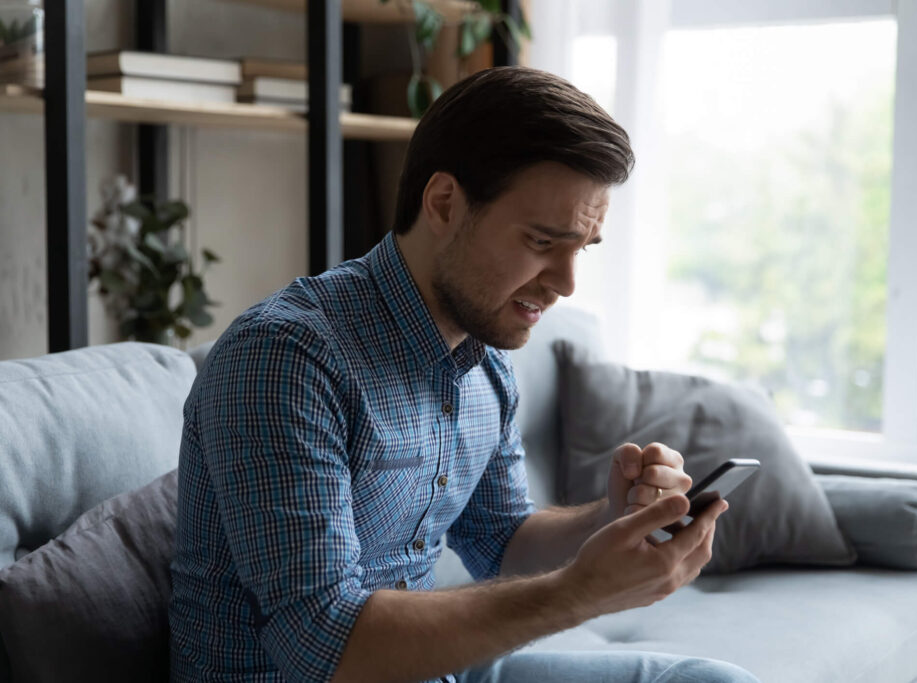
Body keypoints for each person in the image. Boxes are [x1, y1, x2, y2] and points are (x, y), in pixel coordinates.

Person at [168, 66, 760, 683]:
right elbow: (323, 645)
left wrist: (609, 518)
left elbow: (500, 542)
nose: (566, 284)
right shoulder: (286, 358)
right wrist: (579, 593)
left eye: (581, 248)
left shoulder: (485, 365)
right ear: (445, 203)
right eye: (540, 242)